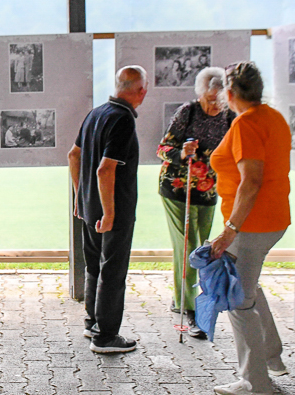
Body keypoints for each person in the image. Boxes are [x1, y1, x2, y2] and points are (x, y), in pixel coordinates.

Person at [209, 61, 291, 395]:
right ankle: (271, 356)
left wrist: (230, 230)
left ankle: (255, 384)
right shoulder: (273, 117)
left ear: (229, 93)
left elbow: (251, 180)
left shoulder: (245, 123)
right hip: (273, 220)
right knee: (248, 285)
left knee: (238, 300)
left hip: (251, 225)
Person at [67, 65, 148, 354]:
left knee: (94, 266)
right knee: (113, 271)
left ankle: (92, 323)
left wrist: (80, 196)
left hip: (90, 206)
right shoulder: (123, 119)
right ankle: (105, 336)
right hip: (113, 210)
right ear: (141, 91)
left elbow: (73, 155)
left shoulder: (96, 113)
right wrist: (110, 213)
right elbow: (105, 169)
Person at [157, 67, 235, 338]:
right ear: (200, 94)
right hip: (178, 188)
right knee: (188, 246)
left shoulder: (229, 116)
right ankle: (189, 310)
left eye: (219, 100)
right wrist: (182, 152)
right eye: (210, 100)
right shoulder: (187, 112)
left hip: (209, 191)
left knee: (203, 246)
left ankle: (182, 297)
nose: (214, 106)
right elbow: (163, 148)